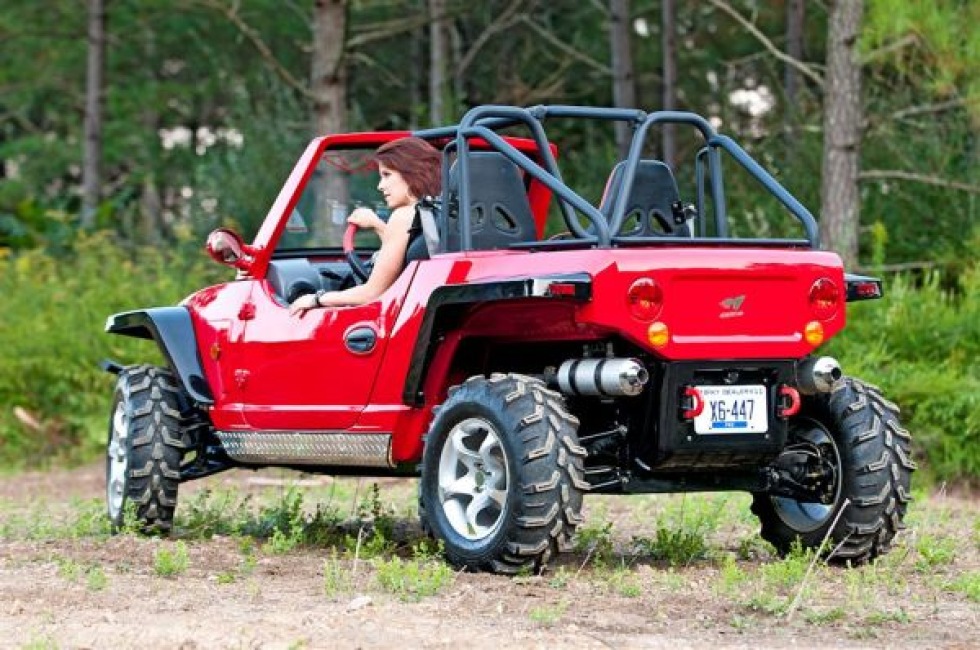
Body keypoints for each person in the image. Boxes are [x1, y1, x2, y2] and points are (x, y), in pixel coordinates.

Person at [289, 136, 441, 315]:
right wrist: (377, 225)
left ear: (411, 173)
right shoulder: (435, 212)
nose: (380, 186)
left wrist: (316, 299)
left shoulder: (403, 215)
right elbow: (404, 255)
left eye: (387, 175)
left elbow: (371, 293)